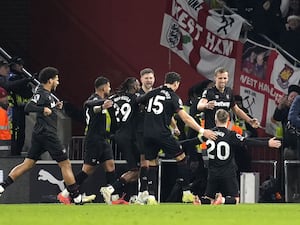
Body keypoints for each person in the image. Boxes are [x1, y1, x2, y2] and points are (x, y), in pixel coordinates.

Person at [0, 67, 83, 204]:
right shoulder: (42, 93)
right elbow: (28, 107)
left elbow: (46, 109)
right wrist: (42, 109)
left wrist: (54, 107)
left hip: (40, 135)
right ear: (50, 80)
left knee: (27, 164)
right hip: (47, 134)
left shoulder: (47, 95)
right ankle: (76, 197)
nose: (58, 82)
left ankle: (2, 186)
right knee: (65, 164)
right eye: (57, 79)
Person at [137, 71, 217, 204]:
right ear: (176, 84)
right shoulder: (173, 97)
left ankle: (151, 196)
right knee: (181, 157)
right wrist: (202, 130)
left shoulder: (152, 93)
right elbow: (185, 117)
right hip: (162, 133)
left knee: (152, 162)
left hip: (147, 134)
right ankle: (186, 192)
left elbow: (139, 101)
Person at [194, 109, 281, 205]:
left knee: (209, 198)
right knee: (236, 199)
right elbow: (248, 141)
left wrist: (178, 145)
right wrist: (267, 143)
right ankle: (222, 200)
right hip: (228, 172)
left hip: (212, 172)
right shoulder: (231, 135)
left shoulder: (209, 134)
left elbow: (193, 141)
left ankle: (200, 201)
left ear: (215, 120)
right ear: (228, 120)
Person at [57, 76, 116, 204]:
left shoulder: (101, 100)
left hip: (103, 139)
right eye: (109, 86)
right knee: (87, 170)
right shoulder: (95, 100)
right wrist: (102, 106)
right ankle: (65, 193)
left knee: (110, 165)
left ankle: (113, 198)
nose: (110, 89)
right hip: (94, 139)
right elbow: (90, 106)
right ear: (104, 87)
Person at [100, 77, 141, 204]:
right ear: (134, 86)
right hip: (130, 137)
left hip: (118, 135)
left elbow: (111, 118)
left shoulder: (112, 99)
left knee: (135, 168)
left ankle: (134, 196)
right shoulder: (135, 98)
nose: (139, 87)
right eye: (138, 84)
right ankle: (111, 189)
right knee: (139, 170)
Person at [8, 57, 34, 155]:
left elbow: (28, 92)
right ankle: (15, 153)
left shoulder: (20, 77)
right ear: (14, 66)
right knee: (16, 132)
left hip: (21, 109)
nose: (22, 67)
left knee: (21, 132)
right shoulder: (12, 78)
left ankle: (17, 151)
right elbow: (26, 92)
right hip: (15, 109)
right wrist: (26, 87)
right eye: (20, 65)